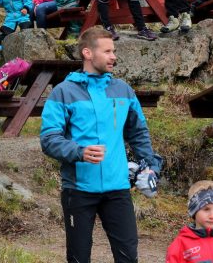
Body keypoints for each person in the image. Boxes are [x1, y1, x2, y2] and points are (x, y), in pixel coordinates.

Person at [40, 26, 163, 263]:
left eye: (113, 51)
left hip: (118, 189)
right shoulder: (63, 92)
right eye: (107, 51)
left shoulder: (124, 90)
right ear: (87, 53)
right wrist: (79, 152)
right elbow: (49, 139)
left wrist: (151, 167)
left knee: (128, 258)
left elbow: (138, 133)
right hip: (78, 190)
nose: (113, 56)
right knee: (78, 258)